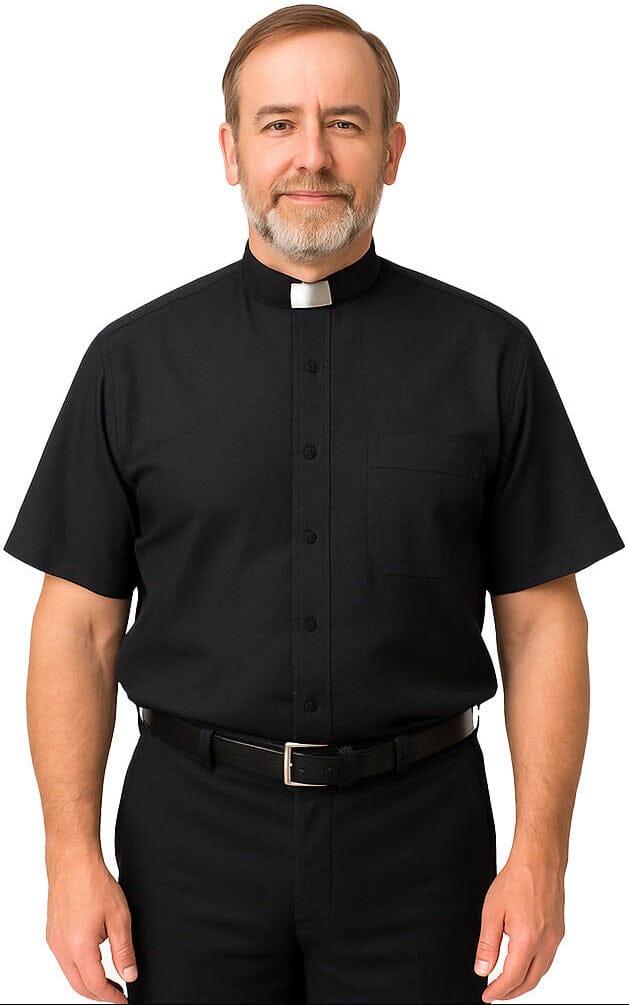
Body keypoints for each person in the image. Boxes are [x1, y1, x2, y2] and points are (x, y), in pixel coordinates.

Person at [3, 4, 625, 1004]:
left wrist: (541, 853)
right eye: (277, 123)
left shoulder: (490, 355)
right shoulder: (130, 363)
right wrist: (68, 856)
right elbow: (76, 626)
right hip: (187, 844)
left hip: (421, 846)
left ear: (392, 149)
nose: (311, 156)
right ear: (229, 151)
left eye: (343, 122)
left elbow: (542, 620)